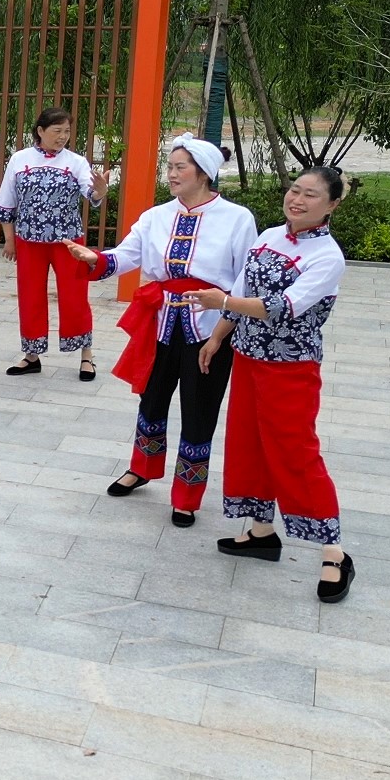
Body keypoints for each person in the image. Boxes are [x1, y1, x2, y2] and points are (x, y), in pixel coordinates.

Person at [62, 134, 257, 528]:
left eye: (180, 167)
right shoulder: (155, 216)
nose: (171, 173)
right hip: (161, 322)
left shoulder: (237, 219)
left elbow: (244, 284)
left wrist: (222, 332)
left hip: (209, 327)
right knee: (151, 399)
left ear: (204, 173)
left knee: (199, 409)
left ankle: (187, 494)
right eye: (169, 166)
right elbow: (125, 254)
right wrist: (95, 258)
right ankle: (143, 467)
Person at [187, 167, 354, 601]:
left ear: (333, 204)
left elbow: (284, 307)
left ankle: (334, 552)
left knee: (295, 452)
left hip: (291, 369)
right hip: (247, 358)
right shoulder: (267, 237)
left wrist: (221, 301)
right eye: (295, 190)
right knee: (249, 443)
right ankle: (261, 531)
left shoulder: (328, 257)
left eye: (311, 195)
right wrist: (219, 334)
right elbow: (243, 289)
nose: (297, 199)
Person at [0, 106, 110, 379]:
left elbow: (90, 193)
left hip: (68, 243)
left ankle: (86, 355)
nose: (62, 137)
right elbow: (6, 203)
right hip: (29, 241)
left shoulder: (76, 162)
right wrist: (10, 240)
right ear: (40, 131)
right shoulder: (20, 159)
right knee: (30, 295)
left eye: (67, 132)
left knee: (75, 295)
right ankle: (32, 355)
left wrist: (100, 190)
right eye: (57, 131)